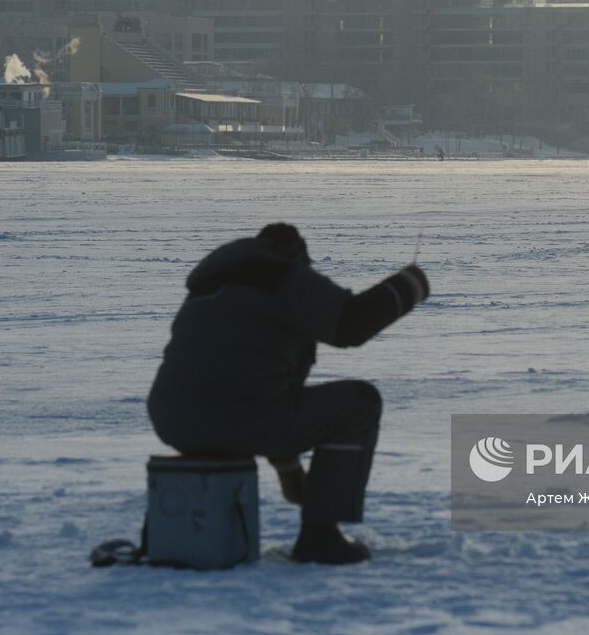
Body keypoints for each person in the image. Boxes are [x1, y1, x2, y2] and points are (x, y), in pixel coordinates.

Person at [147, 223, 430, 565]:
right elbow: (350, 323)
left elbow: (250, 379)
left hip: (174, 421)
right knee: (360, 404)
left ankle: (177, 527)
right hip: (240, 416)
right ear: (297, 254)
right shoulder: (283, 275)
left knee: (238, 407)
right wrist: (410, 285)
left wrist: (290, 470)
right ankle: (321, 537)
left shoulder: (208, 285)